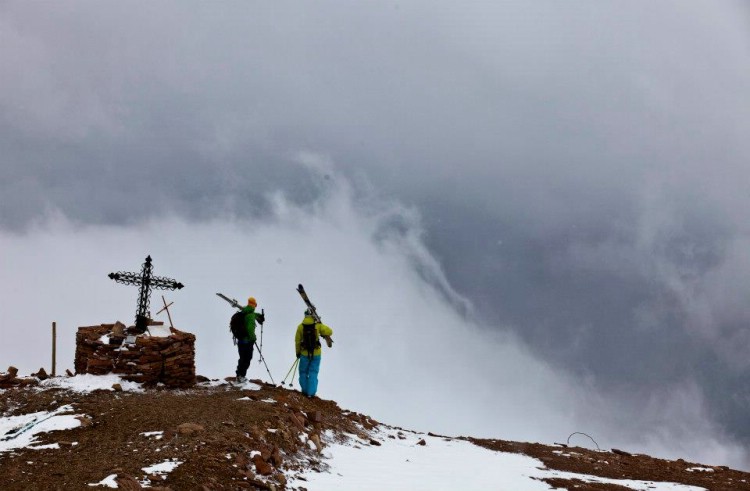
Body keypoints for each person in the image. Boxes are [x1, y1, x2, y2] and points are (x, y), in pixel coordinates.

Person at [295, 310, 333, 397]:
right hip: (316, 353)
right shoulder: (318, 325)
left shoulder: (300, 327)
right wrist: (320, 323)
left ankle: (304, 391)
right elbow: (330, 331)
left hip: (304, 353)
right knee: (313, 372)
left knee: (303, 372)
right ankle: (311, 393)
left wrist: (298, 353)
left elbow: (297, 341)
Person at [236, 296, 265, 383]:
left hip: (240, 340)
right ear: (253, 305)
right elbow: (250, 329)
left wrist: (259, 316)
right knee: (247, 358)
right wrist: (253, 338)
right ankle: (241, 376)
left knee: (242, 358)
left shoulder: (244, 312)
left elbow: (254, 314)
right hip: (247, 341)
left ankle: (239, 375)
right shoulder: (250, 316)